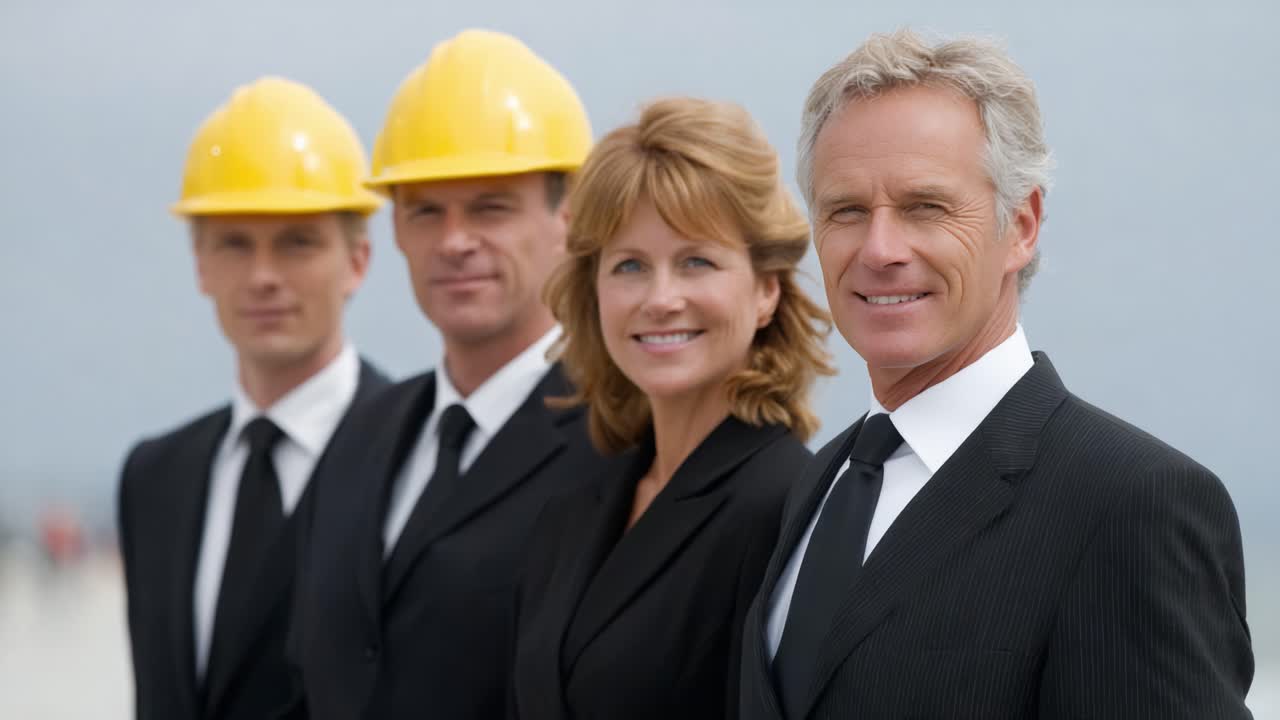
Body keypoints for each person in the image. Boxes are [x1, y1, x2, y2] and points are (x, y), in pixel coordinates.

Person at [739, 30, 1254, 719]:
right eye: (847, 211)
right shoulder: (819, 484)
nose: (880, 248)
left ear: (1022, 224)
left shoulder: (1132, 505)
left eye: (925, 206)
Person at [287, 30, 615, 719]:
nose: (454, 240)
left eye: (491, 207)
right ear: (397, 233)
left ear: (570, 219)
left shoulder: (623, 437)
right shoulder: (357, 436)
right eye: (426, 211)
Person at [511, 97, 833, 719]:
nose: (661, 299)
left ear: (767, 289)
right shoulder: (569, 514)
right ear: (594, 291)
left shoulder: (793, 509)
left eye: (696, 262)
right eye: (629, 265)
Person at [118, 76, 389, 720]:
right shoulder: (155, 476)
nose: (263, 276)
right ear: (200, 265)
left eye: (297, 243)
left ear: (357, 262)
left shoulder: (416, 455)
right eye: (235, 244)